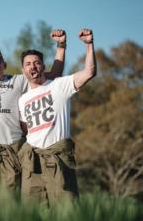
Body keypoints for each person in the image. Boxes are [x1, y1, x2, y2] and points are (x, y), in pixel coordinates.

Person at [0, 31, 66, 213]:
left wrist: (60, 47)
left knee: (9, 205)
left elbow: (53, 75)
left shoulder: (19, 81)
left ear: (4, 64)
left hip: (11, 150)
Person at [18, 28, 96, 206]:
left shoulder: (58, 86)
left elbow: (89, 72)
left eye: (37, 62)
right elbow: (25, 129)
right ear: (23, 70)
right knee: (33, 213)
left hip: (59, 159)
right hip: (33, 165)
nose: (33, 66)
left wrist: (89, 45)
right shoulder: (22, 100)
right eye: (28, 64)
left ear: (44, 66)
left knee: (66, 209)